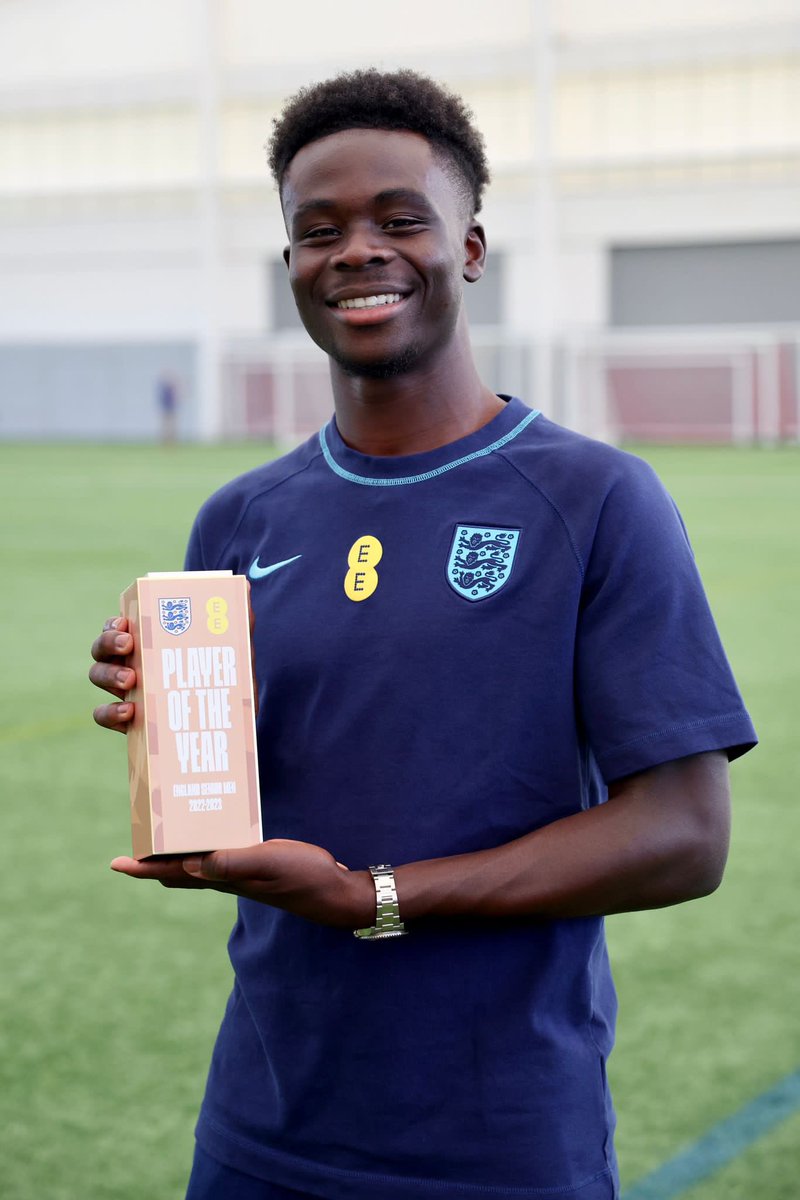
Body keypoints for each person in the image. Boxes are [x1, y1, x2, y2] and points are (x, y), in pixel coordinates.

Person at [90, 69, 757, 1200]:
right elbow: (252, 783)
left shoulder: (595, 499)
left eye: (400, 219)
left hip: (499, 1144)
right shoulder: (240, 520)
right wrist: (164, 725)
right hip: (261, 1131)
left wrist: (374, 896)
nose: (356, 249)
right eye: (318, 230)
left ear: (472, 248)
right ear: (290, 264)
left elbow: (682, 836)